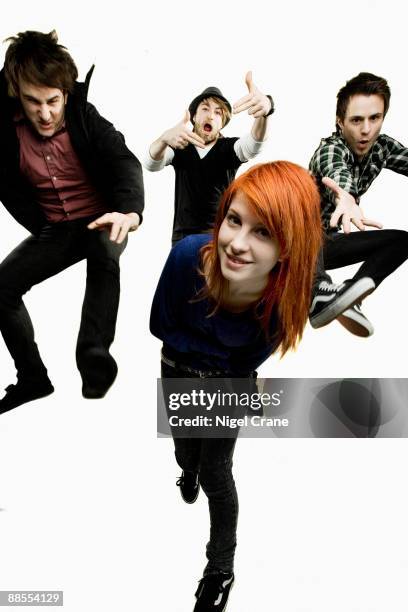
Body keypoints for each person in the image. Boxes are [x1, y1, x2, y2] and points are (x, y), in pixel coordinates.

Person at [150, 161, 322, 611]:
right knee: (184, 451)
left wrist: (221, 369)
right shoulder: (187, 255)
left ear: (288, 248)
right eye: (234, 220)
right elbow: (161, 325)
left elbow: (249, 359)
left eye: (263, 233)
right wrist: (213, 358)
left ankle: (220, 570)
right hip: (178, 371)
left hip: (230, 384)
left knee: (216, 473)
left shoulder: (286, 300)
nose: (237, 244)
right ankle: (185, 470)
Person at [0, 30, 144, 414]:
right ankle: (33, 378)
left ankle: (94, 355)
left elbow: (123, 161)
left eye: (53, 101)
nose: (45, 114)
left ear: (66, 93)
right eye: (33, 102)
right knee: (1, 287)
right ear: (16, 94)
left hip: (103, 219)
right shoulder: (5, 131)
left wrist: (129, 213)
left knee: (104, 255)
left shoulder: (84, 117)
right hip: (56, 230)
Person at [308, 72, 408, 337]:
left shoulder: (382, 147)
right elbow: (336, 170)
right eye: (356, 121)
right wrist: (346, 197)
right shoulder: (330, 149)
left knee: (402, 241)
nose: (366, 130)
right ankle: (318, 293)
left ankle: (349, 296)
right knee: (306, 223)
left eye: (374, 118)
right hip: (294, 243)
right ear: (340, 122)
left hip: (326, 242)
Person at [143, 71, 274, 244]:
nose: (211, 115)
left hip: (219, 237)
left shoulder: (228, 149)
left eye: (218, 113)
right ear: (194, 116)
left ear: (222, 123)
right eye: (205, 109)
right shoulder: (181, 146)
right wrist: (163, 139)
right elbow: (151, 163)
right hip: (182, 238)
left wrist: (265, 112)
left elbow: (254, 144)